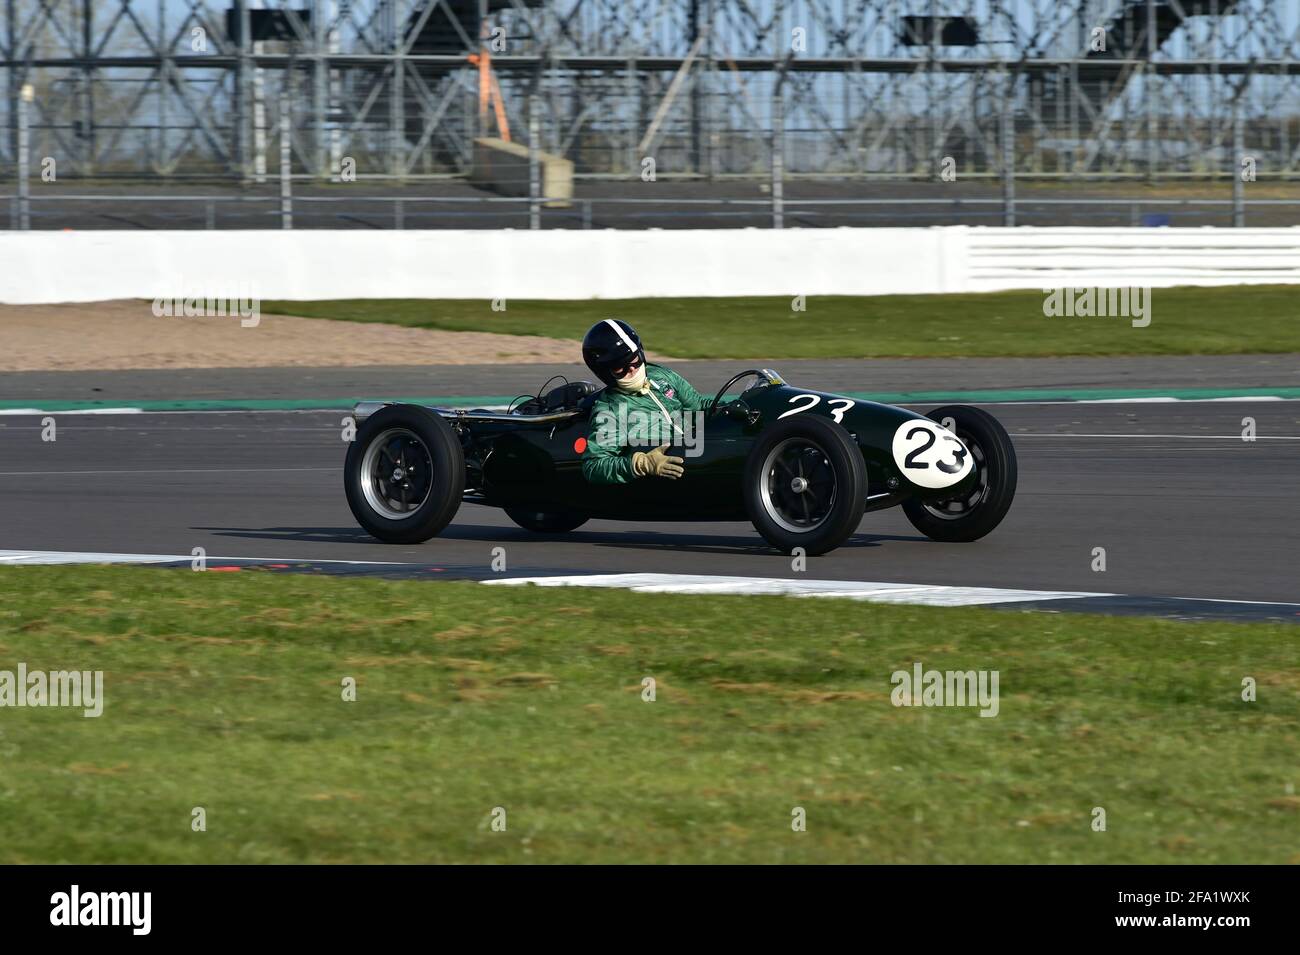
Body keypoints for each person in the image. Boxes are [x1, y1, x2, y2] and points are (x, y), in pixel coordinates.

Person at [580, 319, 706, 485]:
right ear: (605, 372)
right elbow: (594, 466)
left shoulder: (660, 375)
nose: (632, 368)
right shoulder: (611, 410)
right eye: (620, 367)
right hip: (663, 481)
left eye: (634, 359)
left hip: (697, 454)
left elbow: (700, 407)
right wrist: (642, 464)